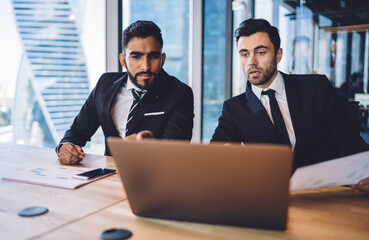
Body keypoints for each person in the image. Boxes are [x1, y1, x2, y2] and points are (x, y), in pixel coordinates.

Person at [211, 18, 369, 193]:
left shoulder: (317, 87)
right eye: (244, 54)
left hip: (326, 194)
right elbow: (216, 153)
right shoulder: (234, 109)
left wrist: (365, 169)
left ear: (278, 54)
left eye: (261, 52)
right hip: (269, 198)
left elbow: (348, 140)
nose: (251, 62)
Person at [56, 20, 194, 165]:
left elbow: (174, 155)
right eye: (136, 56)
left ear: (162, 59)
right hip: (107, 178)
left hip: (154, 180)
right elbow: (77, 131)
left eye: (153, 56)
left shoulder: (179, 93)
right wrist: (64, 147)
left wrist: (151, 147)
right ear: (123, 60)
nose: (145, 66)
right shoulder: (105, 84)